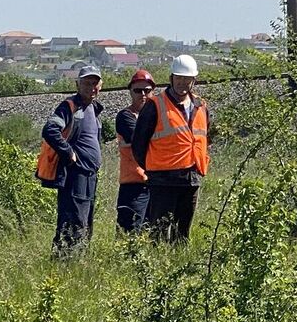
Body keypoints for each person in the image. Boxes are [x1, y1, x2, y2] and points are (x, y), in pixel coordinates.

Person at [132, 54, 210, 242]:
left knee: (182, 234)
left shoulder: (201, 106)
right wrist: (152, 167)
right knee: (158, 232)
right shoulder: (155, 105)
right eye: (179, 78)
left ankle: (178, 264)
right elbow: (138, 144)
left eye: (187, 79)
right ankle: (156, 267)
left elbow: (204, 138)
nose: (183, 83)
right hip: (163, 180)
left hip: (191, 179)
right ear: (171, 78)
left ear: (194, 80)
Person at [43, 65, 105, 253]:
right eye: (87, 83)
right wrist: (68, 152)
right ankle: (64, 262)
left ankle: (78, 261)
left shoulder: (93, 109)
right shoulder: (69, 106)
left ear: (100, 86)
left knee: (85, 223)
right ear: (78, 84)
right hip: (74, 175)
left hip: (89, 176)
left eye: (95, 83)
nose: (91, 87)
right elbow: (50, 130)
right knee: (73, 222)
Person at [113, 69, 156, 234]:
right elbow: (140, 140)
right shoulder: (125, 117)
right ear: (130, 91)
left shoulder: (157, 116)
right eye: (138, 90)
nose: (143, 94)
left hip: (153, 183)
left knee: (150, 233)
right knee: (129, 234)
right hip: (133, 185)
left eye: (147, 90)